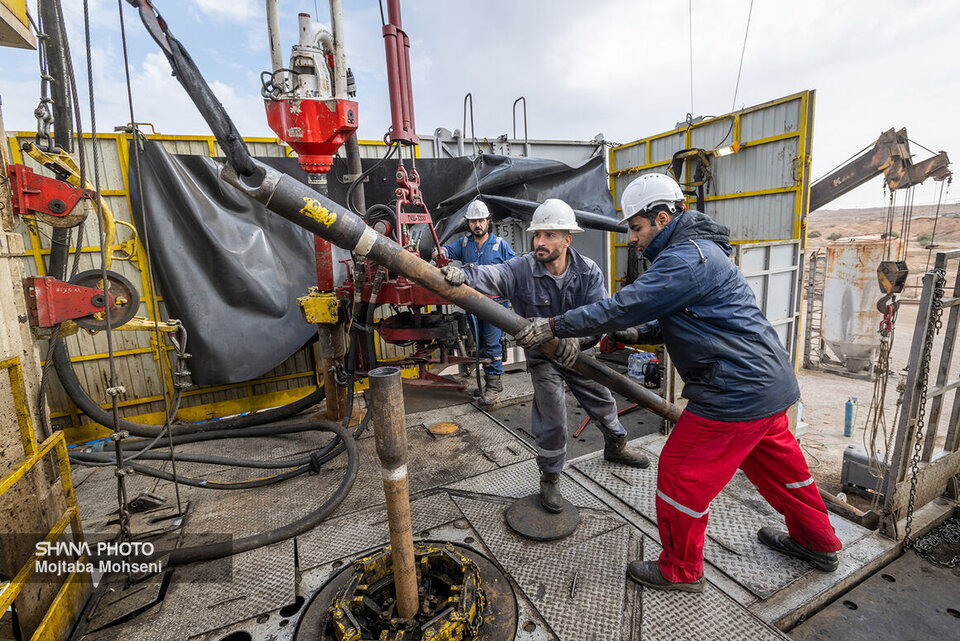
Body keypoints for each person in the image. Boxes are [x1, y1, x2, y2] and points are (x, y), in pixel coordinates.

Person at [513, 174, 842, 592]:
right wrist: (636, 335)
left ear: (662, 218)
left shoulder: (686, 258)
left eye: (635, 228)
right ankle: (819, 543)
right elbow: (684, 318)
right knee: (784, 472)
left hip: (733, 392)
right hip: (769, 385)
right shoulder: (700, 254)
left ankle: (681, 570)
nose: (632, 238)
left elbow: (623, 305)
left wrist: (554, 325)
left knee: (679, 473)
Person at [441, 198, 650, 514]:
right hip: (542, 356)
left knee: (601, 398)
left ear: (567, 238)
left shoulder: (588, 272)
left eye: (549, 235)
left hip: (579, 351)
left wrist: (578, 342)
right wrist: (462, 274)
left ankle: (616, 445)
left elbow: (602, 318)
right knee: (552, 412)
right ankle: (550, 476)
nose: (539, 242)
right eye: (537, 235)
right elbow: (491, 275)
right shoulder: (521, 269)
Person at [438, 199, 516, 395]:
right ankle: (485, 384)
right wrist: (439, 252)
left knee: (491, 344)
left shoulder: (500, 244)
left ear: (488, 221)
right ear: (468, 223)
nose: (477, 225)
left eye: (481, 220)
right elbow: (446, 251)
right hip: (472, 306)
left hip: (495, 305)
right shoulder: (464, 243)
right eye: (473, 221)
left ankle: (493, 387)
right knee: (480, 344)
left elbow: (516, 269)